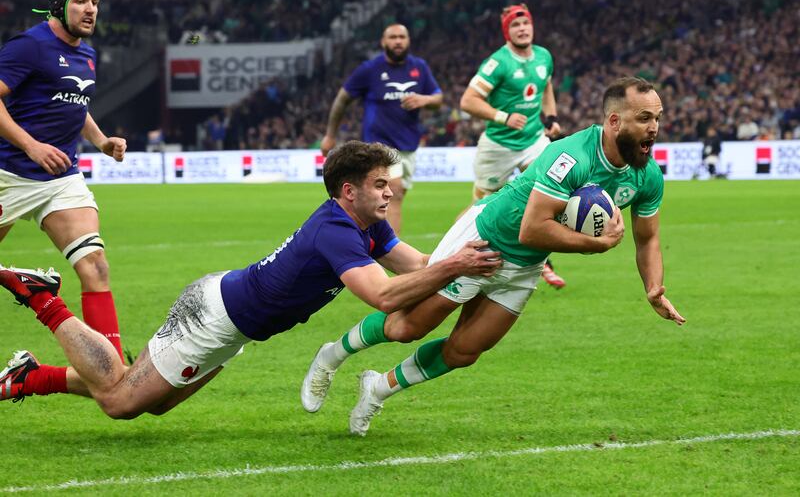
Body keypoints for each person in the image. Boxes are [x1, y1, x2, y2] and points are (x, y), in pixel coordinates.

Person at [301, 77, 686, 436]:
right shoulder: (570, 157)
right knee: (406, 328)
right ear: (615, 121)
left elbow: (647, 239)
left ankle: (377, 389)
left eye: (657, 118)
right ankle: (331, 355)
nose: (654, 127)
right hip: (485, 240)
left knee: (464, 351)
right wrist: (596, 244)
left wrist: (653, 288)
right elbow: (531, 228)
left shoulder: (647, 176)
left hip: (526, 265)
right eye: (644, 118)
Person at [0, 141, 501, 414]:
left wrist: (479, 246)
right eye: (379, 185)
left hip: (233, 323)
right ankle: (44, 300)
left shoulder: (365, 228)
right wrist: (455, 267)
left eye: (390, 185)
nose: (390, 194)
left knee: (146, 400)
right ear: (349, 191)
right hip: (213, 317)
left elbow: (419, 266)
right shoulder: (337, 231)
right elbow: (386, 296)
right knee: (119, 400)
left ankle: (29, 377)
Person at [0, 0, 127, 386]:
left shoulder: (86, 55)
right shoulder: (30, 45)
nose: (90, 9)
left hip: (61, 179)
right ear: (59, 5)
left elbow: (75, 104)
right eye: (81, 1)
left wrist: (102, 141)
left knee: (96, 267)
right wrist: (30, 146)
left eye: (94, 3)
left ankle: (110, 365)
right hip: (9, 173)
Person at [460, 3, 565, 288]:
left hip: (533, 141)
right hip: (498, 146)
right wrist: (502, 116)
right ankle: (454, 252)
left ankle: (542, 261)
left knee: (549, 191)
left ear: (532, 26)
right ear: (507, 32)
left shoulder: (544, 56)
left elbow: (546, 87)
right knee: (480, 206)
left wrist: (551, 116)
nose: (522, 29)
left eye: (525, 24)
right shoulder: (497, 63)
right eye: (515, 25)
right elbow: (467, 101)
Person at [320, 23, 443, 235]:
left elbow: (438, 99)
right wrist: (330, 134)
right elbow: (342, 100)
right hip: (379, 146)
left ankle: (367, 242)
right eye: (393, 37)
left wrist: (424, 100)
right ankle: (390, 251)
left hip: (408, 145)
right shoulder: (370, 69)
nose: (398, 41)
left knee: (394, 194)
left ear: (408, 41)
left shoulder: (419, 67)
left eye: (402, 37)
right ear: (383, 42)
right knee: (393, 191)